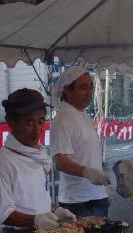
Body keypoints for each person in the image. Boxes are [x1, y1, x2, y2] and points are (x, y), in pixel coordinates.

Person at [0, 88, 76, 233]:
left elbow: (38, 200)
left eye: (41, 121)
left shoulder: (39, 155)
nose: (37, 130)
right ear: (10, 121)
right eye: (29, 122)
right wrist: (36, 220)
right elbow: (3, 214)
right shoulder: (3, 162)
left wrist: (56, 211)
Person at [50, 66, 110, 218]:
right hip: (76, 201)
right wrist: (87, 172)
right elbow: (60, 161)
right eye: (83, 88)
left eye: (91, 87)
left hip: (97, 196)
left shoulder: (84, 115)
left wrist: (103, 190)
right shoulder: (62, 120)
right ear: (67, 90)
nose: (89, 93)